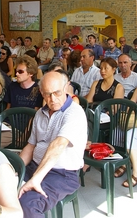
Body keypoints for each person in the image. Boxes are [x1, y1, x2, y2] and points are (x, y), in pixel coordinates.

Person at [18, 71, 87, 217]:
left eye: (57, 92)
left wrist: (35, 179)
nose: (53, 99)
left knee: (28, 204)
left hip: (62, 175)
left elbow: (59, 145)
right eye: (47, 94)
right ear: (41, 93)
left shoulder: (74, 112)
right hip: (34, 167)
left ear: (67, 87)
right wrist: (15, 170)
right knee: (2, 189)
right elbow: (30, 146)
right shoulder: (40, 114)